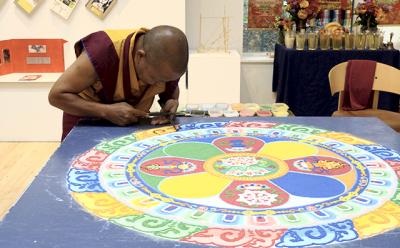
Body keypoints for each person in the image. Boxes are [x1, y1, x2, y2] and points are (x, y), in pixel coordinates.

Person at [48, 25, 189, 140]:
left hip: (131, 123)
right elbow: (56, 96)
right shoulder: (104, 51)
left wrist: (171, 101)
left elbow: (169, 90)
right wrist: (106, 111)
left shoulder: (167, 63)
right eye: (155, 78)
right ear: (140, 56)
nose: (159, 84)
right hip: (86, 119)